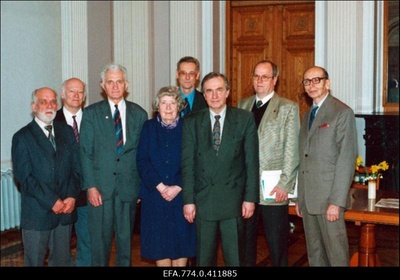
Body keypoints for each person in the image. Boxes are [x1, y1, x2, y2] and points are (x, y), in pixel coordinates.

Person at [181, 72, 259, 266]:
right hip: (203, 202)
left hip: (233, 202)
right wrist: (188, 201)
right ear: (204, 95)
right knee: (203, 260)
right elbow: (188, 164)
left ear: (227, 93)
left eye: (219, 90)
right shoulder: (191, 122)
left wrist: (250, 198)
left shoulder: (244, 119)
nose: (214, 96)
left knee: (235, 259)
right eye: (209, 91)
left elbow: (251, 162)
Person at [79, 63, 148, 266]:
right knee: (99, 244)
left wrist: (140, 188)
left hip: (128, 189)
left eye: (119, 81)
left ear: (126, 84)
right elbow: (85, 153)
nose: (115, 86)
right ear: (103, 85)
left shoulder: (140, 114)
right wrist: (90, 186)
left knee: (126, 243)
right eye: (110, 82)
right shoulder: (91, 114)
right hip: (100, 190)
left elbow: (143, 155)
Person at [238, 59, 300, 266]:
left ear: (275, 79)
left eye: (265, 76)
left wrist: (285, 184)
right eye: (256, 76)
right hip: (246, 188)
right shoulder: (242, 105)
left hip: (273, 189)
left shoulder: (288, 108)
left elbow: (291, 149)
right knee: (245, 244)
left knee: (277, 245)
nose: (259, 81)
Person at [294, 66, 358, 266]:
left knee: (336, 254)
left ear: (327, 83)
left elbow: (346, 159)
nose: (311, 85)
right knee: (315, 254)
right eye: (307, 81)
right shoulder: (307, 116)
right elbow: (303, 158)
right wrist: (299, 197)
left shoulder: (342, 112)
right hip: (308, 200)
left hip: (329, 199)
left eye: (317, 80)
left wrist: (337, 202)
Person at [11, 87, 81, 266]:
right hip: (37, 213)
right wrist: (52, 201)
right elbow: (25, 179)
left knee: (62, 261)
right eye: (43, 101)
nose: (49, 106)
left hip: (65, 211)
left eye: (53, 102)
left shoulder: (66, 131)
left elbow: (76, 168)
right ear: (34, 106)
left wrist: (72, 196)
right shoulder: (22, 137)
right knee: (34, 261)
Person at [137, 86, 196, 267]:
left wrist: (178, 186)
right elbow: (142, 160)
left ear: (179, 106)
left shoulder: (189, 127)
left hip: (182, 196)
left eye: (172, 103)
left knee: (181, 243)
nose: (168, 107)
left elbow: (194, 160)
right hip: (155, 196)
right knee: (159, 246)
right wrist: (161, 186)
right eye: (164, 103)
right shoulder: (148, 127)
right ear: (157, 106)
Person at [54, 77, 91, 266]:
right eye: (71, 91)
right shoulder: (52, 120)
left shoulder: (94, 118)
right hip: (62, 195)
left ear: (84, 95)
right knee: (61, 247)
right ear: (62, 94)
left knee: (89, 243)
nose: (76, 96)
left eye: (80, 92)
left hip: (88, 192)